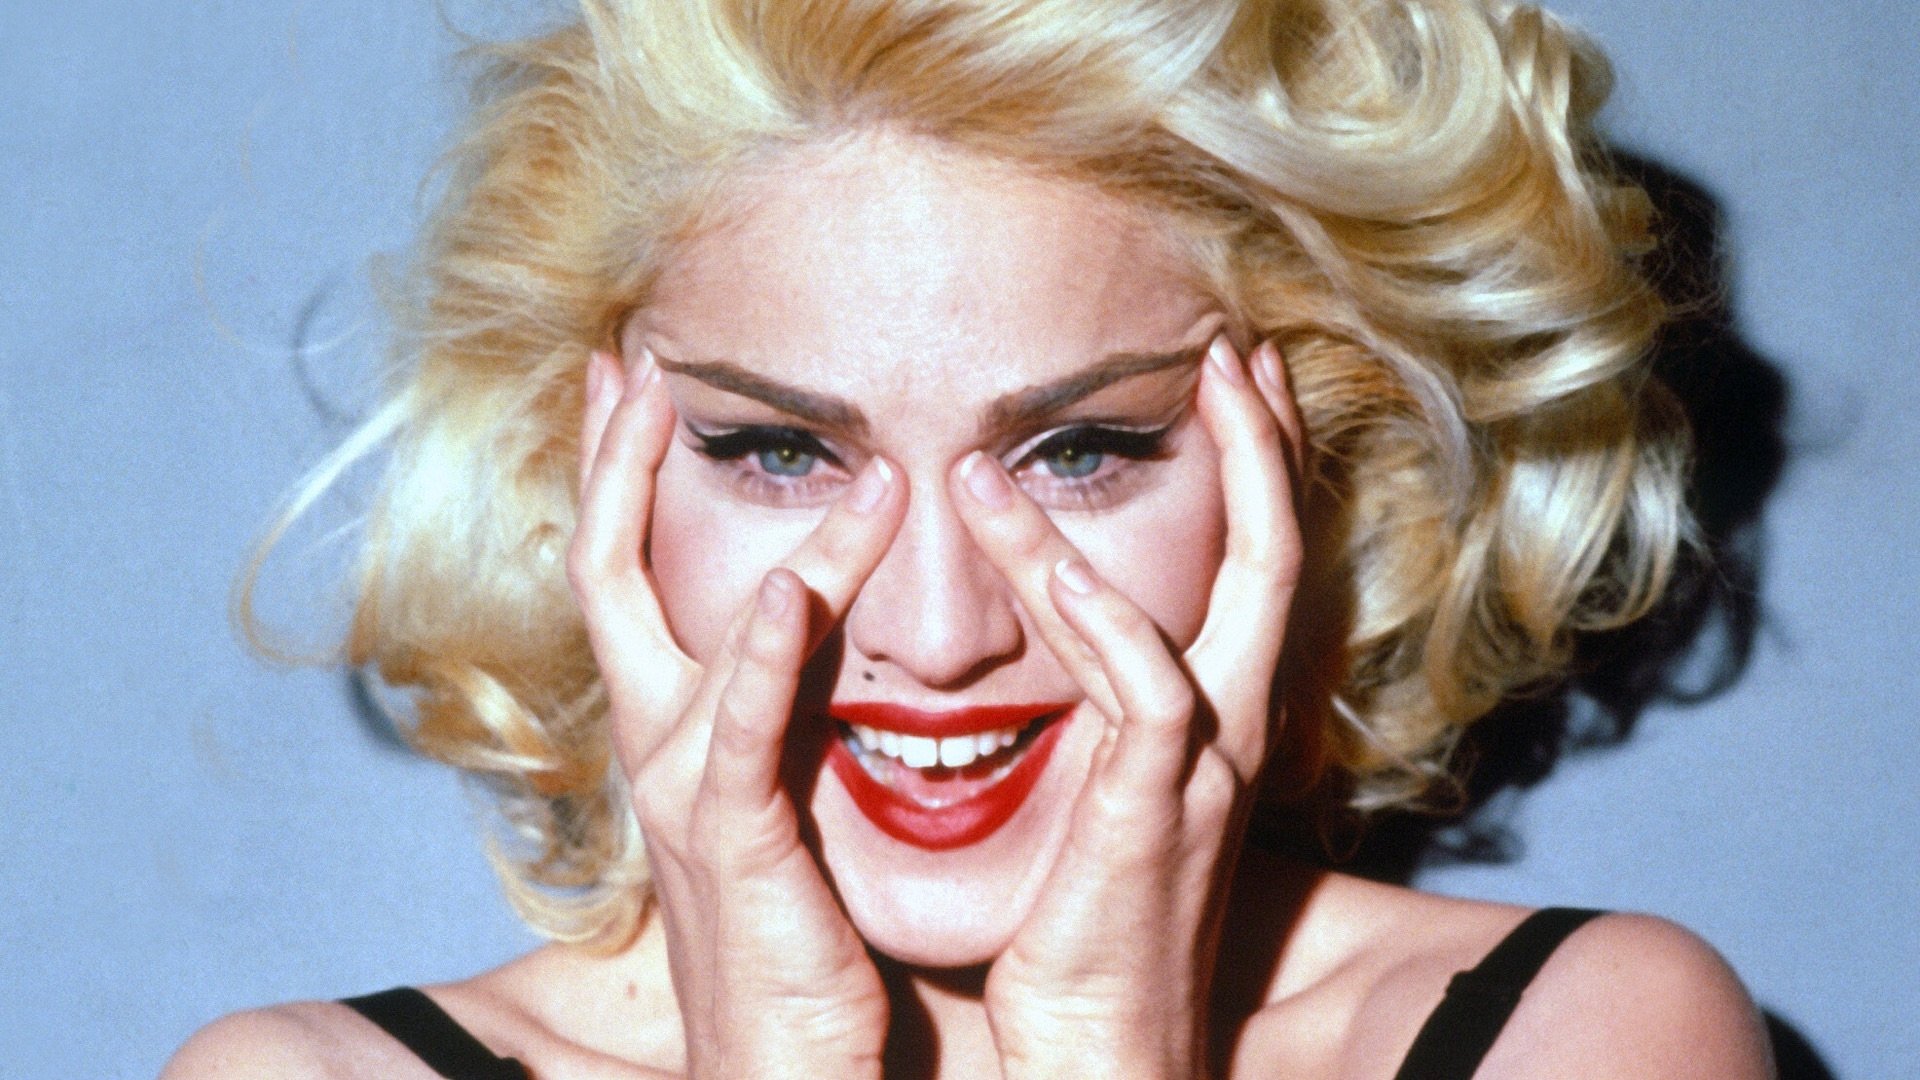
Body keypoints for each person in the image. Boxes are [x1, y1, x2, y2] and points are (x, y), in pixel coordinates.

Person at [164, 0, 1775, 1075]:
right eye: (780, 452)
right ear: (601, 479)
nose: (936, 635)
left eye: (1082, 452)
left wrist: (1103, 1057)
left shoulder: (1577, 1038)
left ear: (1306, 473)